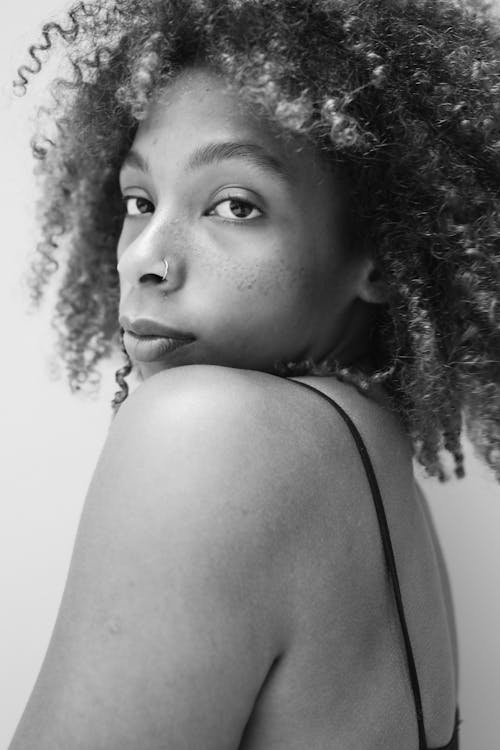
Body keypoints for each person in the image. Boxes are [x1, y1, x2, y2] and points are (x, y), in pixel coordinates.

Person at [9, 0, 500, 748]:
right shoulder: (367, 456)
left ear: (379, 257)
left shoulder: (212, 434)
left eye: (234, 206)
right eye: (139, 200)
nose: (144, 256)